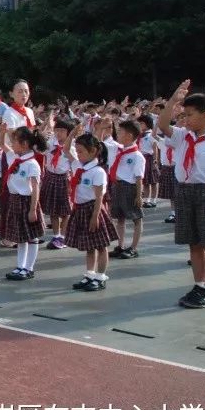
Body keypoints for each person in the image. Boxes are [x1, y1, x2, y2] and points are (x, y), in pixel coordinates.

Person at [67, 133, 118, 291]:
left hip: (93, 210)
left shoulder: (98, 172)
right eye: (78, 151)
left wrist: (95, 217)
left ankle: (100, 276)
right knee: (89, 246)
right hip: (81, 209)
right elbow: (66, 150)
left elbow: (99, 197)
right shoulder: (79, 166)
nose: (78, 154)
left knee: (101, 246)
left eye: (81, 151)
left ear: (94, 151)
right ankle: (89, 274)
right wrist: (72, 132)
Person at [0, 125, 47, 281]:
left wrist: (33, 209)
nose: (12, 144)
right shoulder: (15, 158)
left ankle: (29, 268)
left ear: (25, 144)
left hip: (27, 201)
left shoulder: (32, 164)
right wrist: (3, 132)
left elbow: (35, 188)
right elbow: (2, 145)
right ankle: (20, 266)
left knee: (31, 237)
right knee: (20, 237)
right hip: (15, 200)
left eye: (14, 142)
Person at [98, 118, 145, 259]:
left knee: (137, 218)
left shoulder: (137, 155)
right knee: (120, 218)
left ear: (129, 135)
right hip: (116, 186)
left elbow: (138, 177)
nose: (117, 135)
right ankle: (120, 245)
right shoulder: (117, 149)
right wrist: (101, 128)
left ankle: (134, 248)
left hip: (129, 187)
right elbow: (98, 144)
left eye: (120, 132)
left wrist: (139, 195)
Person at [41, 118, 76, 250]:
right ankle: (57, 235)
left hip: (64, 179)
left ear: (68, 133)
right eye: (57, 130)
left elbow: (75, 166)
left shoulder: (71, 147)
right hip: (51, 176)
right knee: (53, 210)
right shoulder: (50, 144)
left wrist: (71, 184)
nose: (59, 133)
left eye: (62, 130)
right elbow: (40, 149)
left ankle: (64, 236)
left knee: (66, 210)